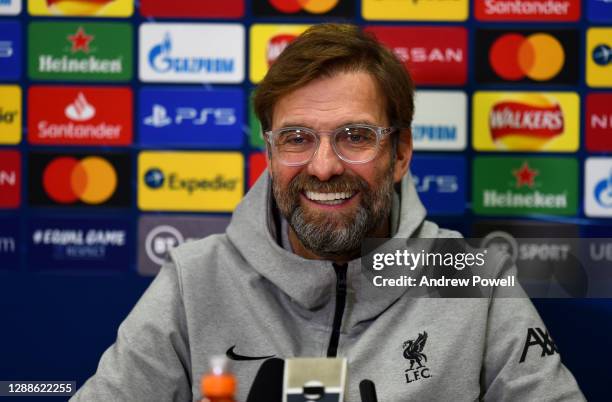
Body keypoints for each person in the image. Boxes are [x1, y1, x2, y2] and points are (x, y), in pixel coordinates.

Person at [72, 24, 584, 401]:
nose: (322, 167)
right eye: (296, 139)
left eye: (355, 137)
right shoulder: (195, 279)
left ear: (400, 153)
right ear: (271, 154)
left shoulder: (470, 276)